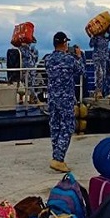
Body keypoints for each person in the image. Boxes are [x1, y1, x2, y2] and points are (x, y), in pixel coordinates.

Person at [45, 31, 85, 172]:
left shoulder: (48, 59)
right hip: (65, 98)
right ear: (64, 43)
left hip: (52, 98)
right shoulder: (69, 59)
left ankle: (56, 156)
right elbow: (81, 71)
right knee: (68, 126)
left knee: (55, 126)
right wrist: (79, 57)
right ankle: (58, 159)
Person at [89, 32, 110, 99]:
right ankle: (98, 91)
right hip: (97, 57)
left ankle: (100, 91)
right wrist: (92, 37)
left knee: (103, 74)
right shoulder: (97, 37)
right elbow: (91, 45)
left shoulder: (107, 36)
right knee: (99, 73)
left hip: (104, 58)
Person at [19, 37, 39, 103]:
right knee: (23, 84)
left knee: (30, 84)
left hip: (30, 69)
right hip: (26, 69)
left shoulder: (34, 50)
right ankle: (23, 99)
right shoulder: (22, 49)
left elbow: (36, 59)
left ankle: (31, 99)